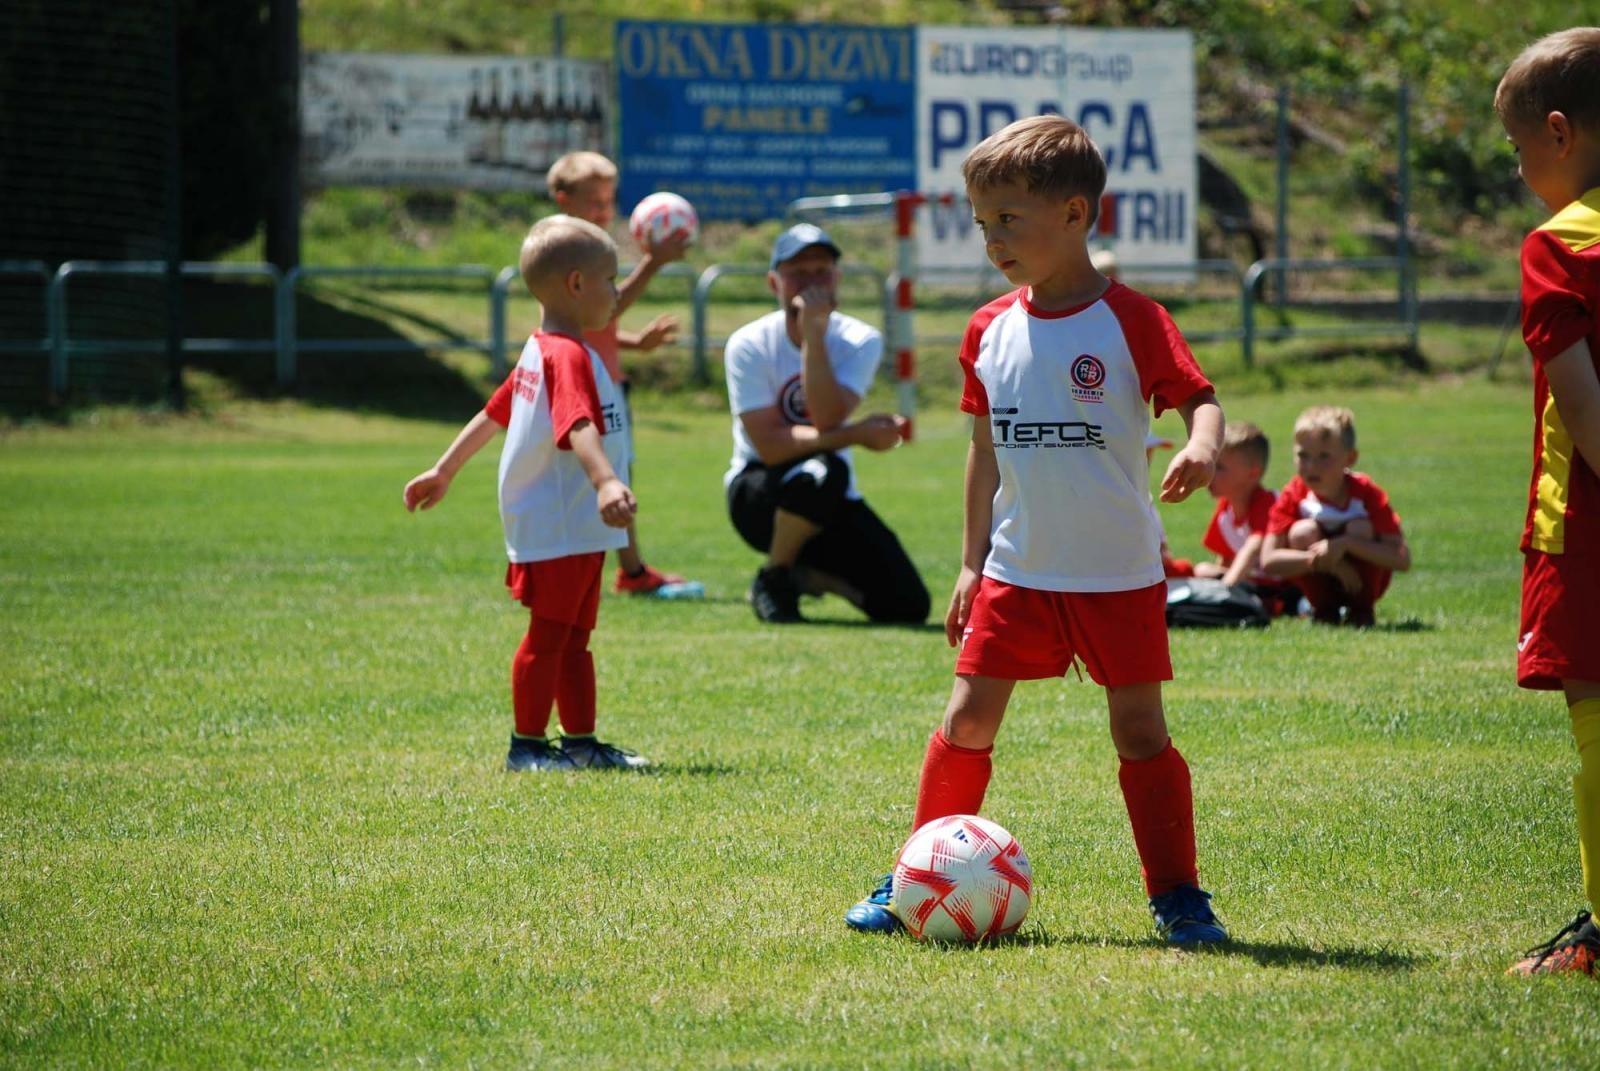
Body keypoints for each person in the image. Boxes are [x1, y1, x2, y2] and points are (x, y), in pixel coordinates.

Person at [843, 115, 1229, 945]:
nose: (993, 240)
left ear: (1076, 214)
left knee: (1140, 731)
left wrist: (1201, 445)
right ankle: (914, 878)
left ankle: (1179, 895)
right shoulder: (988, 329)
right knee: (967, 719)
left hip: (1118, 570)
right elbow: (984, 453)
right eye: (982, 223)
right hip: (1018, 569)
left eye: (1009, 220)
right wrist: (969, 564)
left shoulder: (1132, 319)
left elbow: (1201, 399)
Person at [403, 215, 650, 772]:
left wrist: (444, 470)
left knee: (576, 638)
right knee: (550, 635)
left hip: (575, 526)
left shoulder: (544, 348)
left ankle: (582, 744)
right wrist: (606, 480)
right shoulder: (564, 354)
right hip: (559, 522)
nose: (617, 292)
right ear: (577, 285)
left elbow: (494, 413)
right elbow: (578, 425)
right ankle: (528, 748)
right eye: (611, 279)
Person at [1495, 27, 1600, 976]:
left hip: (1589, 529)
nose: (1524, 170)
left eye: (1522, 151)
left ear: (1560, 134)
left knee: (1595, 714)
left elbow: (1585, 412)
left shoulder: (1563, 247)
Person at [721, 223, 931, 625]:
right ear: (773, 282)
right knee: (825, 469)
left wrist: (815, 339)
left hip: (830, 496)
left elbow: (826, 417)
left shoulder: (859, 339)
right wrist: (857, 435)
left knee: (907, 605)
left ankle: (810, 577)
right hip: (759, 491)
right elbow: (770, 446)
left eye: (822, 272)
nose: (811, 283)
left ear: (837, 279)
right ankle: (775, 576)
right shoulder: (748, 344)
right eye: (798, 273)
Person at [546, 151, 698, 597]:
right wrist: (653, 262)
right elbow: (598, 313)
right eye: (593, 200)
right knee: (609, 475)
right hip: (589, 384)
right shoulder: (564, 247)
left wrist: (636, 343)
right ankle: (630, 575)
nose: (603, 210)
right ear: (563, 199)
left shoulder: (588, 244)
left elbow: (598, 327)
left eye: (608, 200)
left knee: (617, 473)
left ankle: (630, 570)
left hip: (605, 378)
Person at [1259, 406, 1411, 627]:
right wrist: (1326, 562)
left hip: (1363, 582)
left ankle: (1362, 611)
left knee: (1360, 528)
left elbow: (1402, 559)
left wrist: (1346, 544)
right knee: (1303, 532)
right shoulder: (1294, 494)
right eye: (1303, 455)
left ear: (1350, 458)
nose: (1312, 466)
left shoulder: (1366, 493)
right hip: (1319, 578)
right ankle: (1324, 610)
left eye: (1324, 457)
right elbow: (1269, 561)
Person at [1192, 421, 1299, 613]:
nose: (1211, 472)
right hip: (1252, 581)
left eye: (1220, 467)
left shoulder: (1266, 502)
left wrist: (1224, 591)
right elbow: (1225, 560)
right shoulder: (1225, 510)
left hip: (1282, 585)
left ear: (1253, 473)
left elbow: (1253, 547)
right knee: (1202, 570)